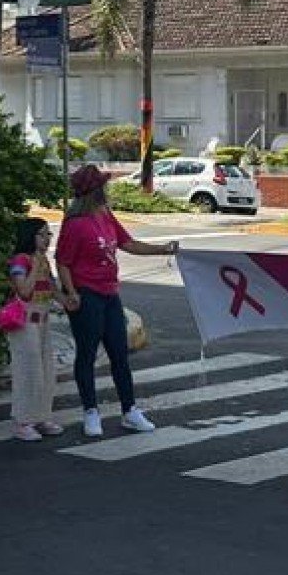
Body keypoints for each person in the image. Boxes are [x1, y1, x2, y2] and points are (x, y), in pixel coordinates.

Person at [56, 164, 178, 438]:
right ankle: (91, 412)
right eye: (103, 185)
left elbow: (128, 244)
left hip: (110, 293)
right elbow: (63, 262)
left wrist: (162, 250)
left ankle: (130, 411)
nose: (107, 189)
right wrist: (71, 293)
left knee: (119, 355)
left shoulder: (106, 216)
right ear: (94, 191)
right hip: (87, 295)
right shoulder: (75, 224)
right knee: (86, 355)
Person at [6, 216, 64, 442]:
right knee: (28, 370)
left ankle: (41, 415)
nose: (47, 239)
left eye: (48, 234)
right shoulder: (21, 261)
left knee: (46, 369)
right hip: (25, 322)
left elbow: (51, 287)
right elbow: (24, 291)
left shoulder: (43, 261)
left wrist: (67, 301)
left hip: (43, 320)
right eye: (42, 234)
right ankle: (23, 420)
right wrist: (35, 266)